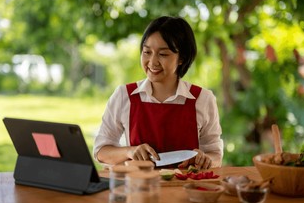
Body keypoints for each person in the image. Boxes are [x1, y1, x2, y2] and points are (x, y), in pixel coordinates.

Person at [93, 16, 223, 169]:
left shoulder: (203, 99)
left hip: (187, 190)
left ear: (182, 57)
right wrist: (130, 151)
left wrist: (205, 159)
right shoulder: (124, 96)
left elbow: (215, 155)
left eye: (163, 54)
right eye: (147, 52)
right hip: (140, 188)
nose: (152, 62)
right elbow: (101, 151)